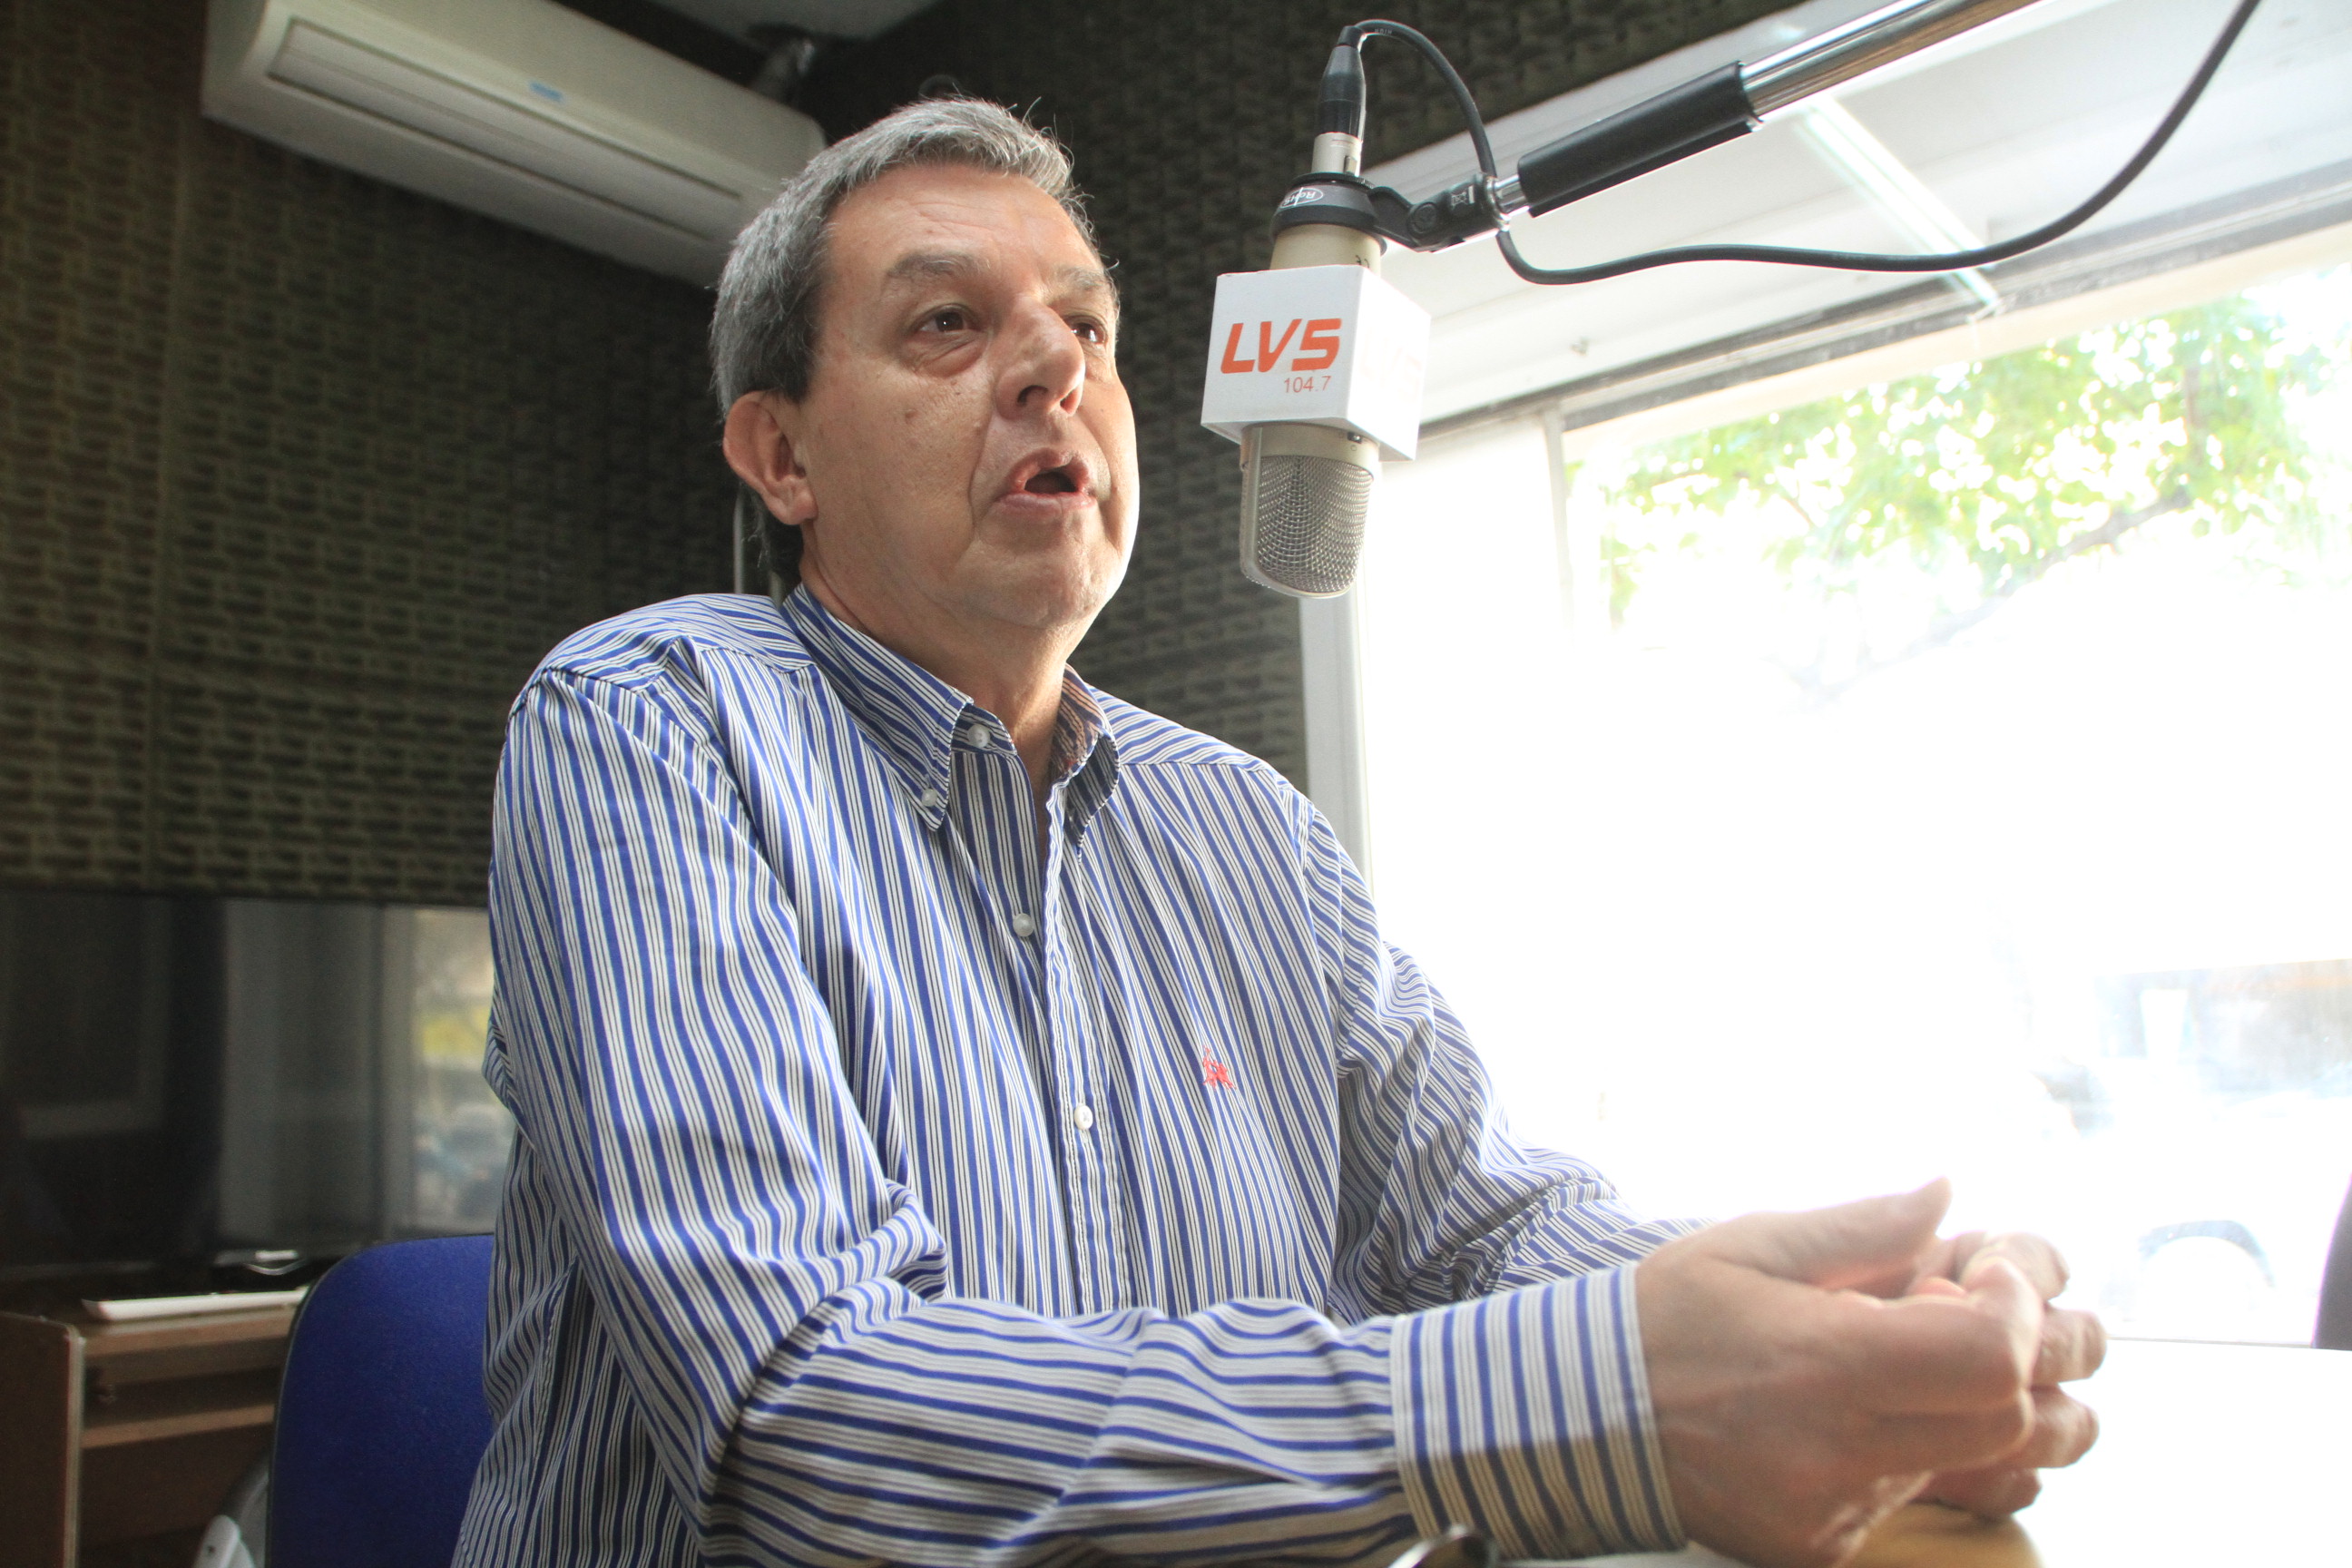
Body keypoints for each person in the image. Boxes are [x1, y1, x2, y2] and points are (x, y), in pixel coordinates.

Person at [454, 100, 2102, 1568]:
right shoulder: (651, 720)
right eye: (949, 324)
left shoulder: (1249, 826)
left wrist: (1845, 1328)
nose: (1058, 372)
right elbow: (809, 1415)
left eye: (1087, 327)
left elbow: (1483, 1226)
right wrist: (1614, 1395)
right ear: (782, 453)